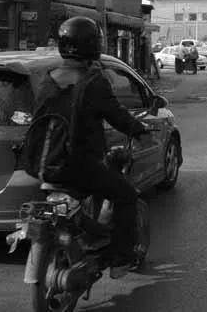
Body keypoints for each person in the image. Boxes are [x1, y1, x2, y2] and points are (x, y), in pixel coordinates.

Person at [33, 17, 149, 275]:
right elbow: (116, 115)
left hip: (44, 164)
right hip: (80, 165)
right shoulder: (93, 80)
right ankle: (121, 256)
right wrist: (137, 129)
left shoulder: (46, 78)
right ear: (93, 46)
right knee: (126, 195)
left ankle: (90, 238)